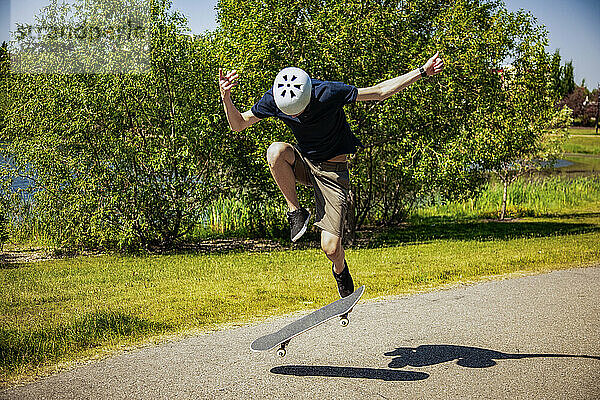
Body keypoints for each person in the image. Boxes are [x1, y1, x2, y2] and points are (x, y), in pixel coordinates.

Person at [219, 52, 444, 298]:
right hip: (304, 163)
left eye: (298, 111)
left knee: (331, 247)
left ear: (309, 97)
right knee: (275, 152)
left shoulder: (328, 92)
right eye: (289, 113)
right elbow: (238, 124)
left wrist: (422, 71)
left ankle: (341, 271)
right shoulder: (275, 98)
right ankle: (295, 211)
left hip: (334, 173)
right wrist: (226, 97)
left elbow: (380, 91)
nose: (294, 117)